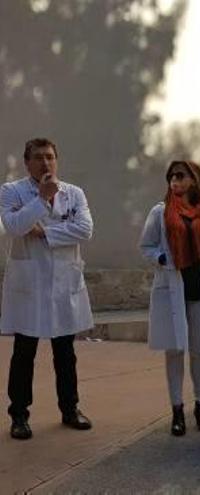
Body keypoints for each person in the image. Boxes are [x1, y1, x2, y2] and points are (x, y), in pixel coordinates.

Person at [2, 138, 94, 440]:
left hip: (63, 282)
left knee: (65, 352)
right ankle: (19, 415)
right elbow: (14, 226)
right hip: (30, 284)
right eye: (39, 157)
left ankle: (70, 409)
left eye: (51, 157)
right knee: (24, 352)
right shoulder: (11, 191)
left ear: (57, 160)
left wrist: (44, 233)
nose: (46, 163)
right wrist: (41, 199)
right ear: (27, 162)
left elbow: (85, 229)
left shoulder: (74, 193)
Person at [139, 160, 200, 437]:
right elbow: (146, 245)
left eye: (181, 176)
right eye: (171, 176)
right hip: (173, 286)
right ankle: (176, 409)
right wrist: (160, 257)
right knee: (174, 351)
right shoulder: (160, 212)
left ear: (194, 179)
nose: (175, 181)